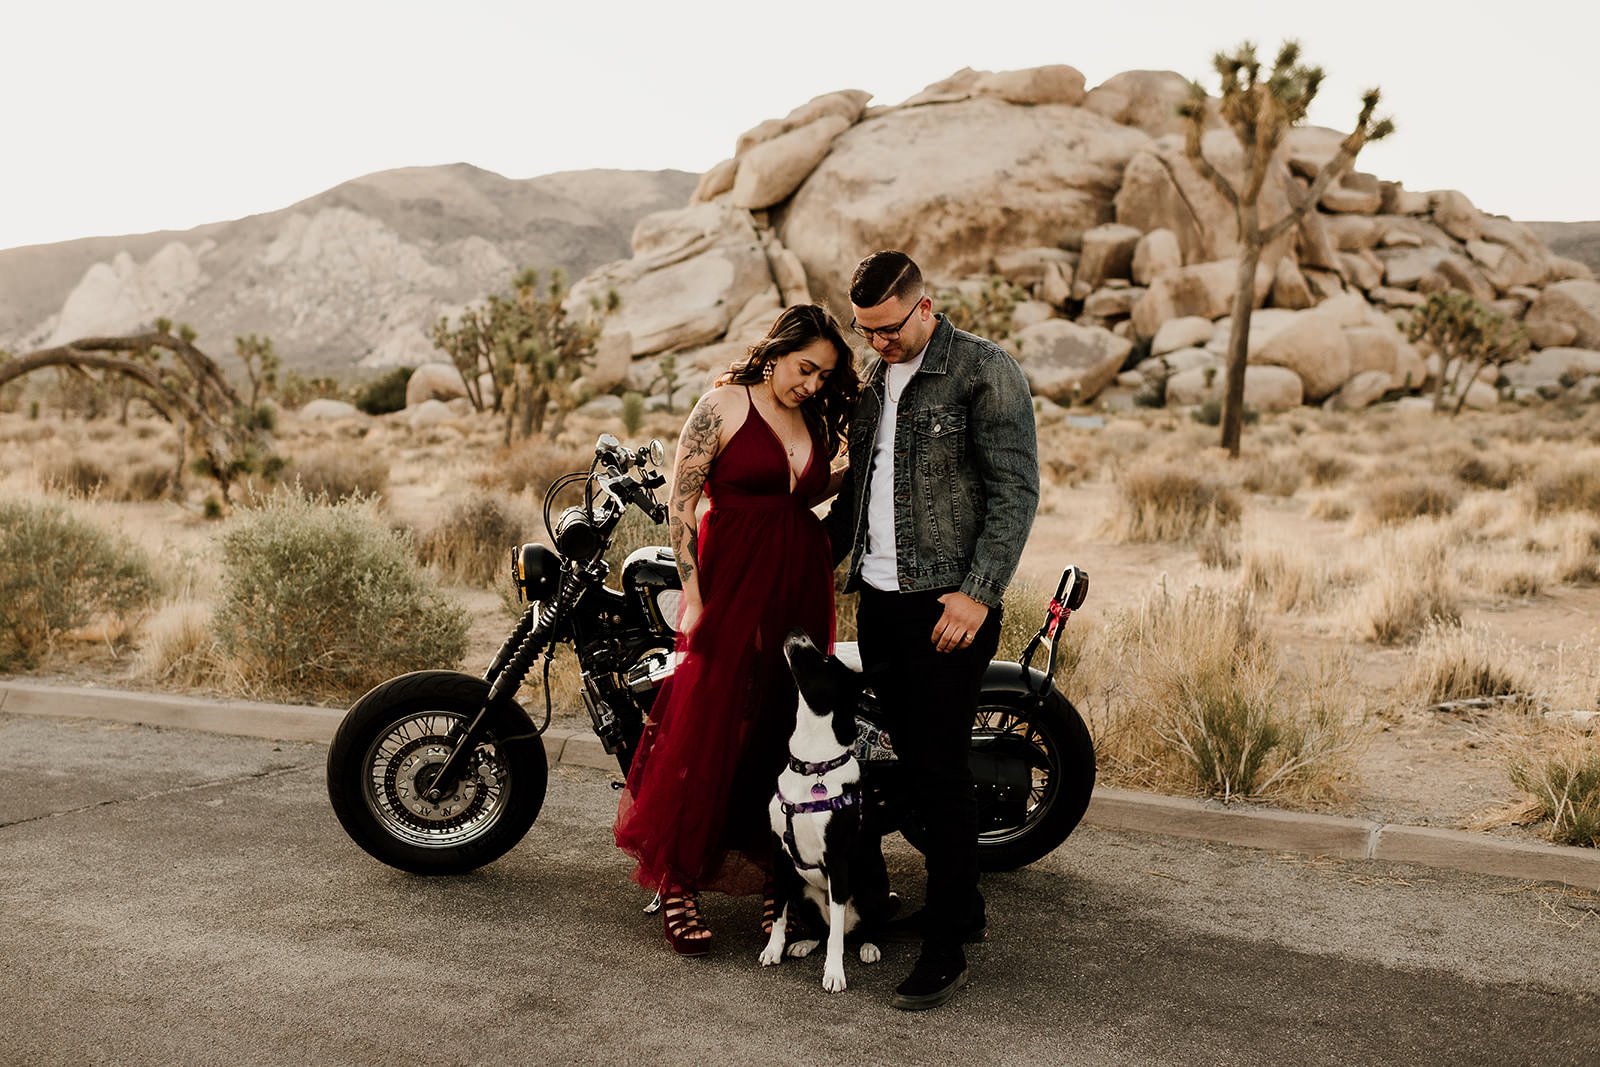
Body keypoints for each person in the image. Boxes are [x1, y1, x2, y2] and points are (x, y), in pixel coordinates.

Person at [823, 250, 1039, 1010]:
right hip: (879, 601)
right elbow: (862, 486)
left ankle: (946, 946)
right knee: (909, 765)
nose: (876, 344)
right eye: (864, 331)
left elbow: (1016, 491)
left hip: (948, 607)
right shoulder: (876, 382)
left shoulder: (983, 370)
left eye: (887, 329)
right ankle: (966, 907)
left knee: (942, 772)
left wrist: (978, 594)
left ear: (924, 305)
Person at [614, 303, 859, 956]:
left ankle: (774, 874)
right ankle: (677, 876)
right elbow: (683, 499)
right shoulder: (721, 405)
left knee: (782, 720)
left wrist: (855, 469)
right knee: (715, 719)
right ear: (777, 350)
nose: (811, 384)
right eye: (806, 368)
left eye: (823, 376)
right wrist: (694, 591)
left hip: (798, 581)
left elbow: (796, 496)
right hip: (731, 580)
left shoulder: (811, 415)